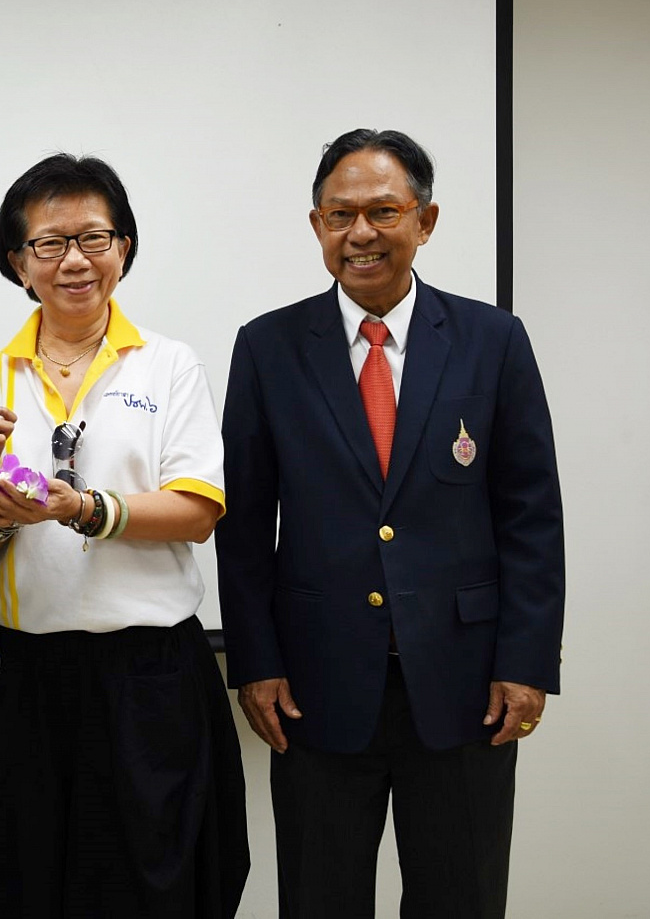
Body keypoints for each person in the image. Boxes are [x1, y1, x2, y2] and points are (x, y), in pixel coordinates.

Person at [217, 129, 565, 918]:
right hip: (317, 687)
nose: (360, 234)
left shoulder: (492, 341)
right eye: (340, 215)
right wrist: (255, 663)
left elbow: (532, 516)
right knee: (321, 898)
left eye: (383, 211)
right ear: (317, 226)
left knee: (461, 899)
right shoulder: (268, 348)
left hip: (467, 686)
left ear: (425, 220)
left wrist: (527, 660)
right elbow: (245, 529)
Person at [0, 153, 250, 919]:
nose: (74, 261)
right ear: (18, 263)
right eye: (50, 243)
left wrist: (82, 509)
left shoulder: (170, 366)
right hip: (22, 681)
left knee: (154, 892)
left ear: (124, 248)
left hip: (149, 680)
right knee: (13, 886)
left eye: (94, 238)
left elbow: (198, 510)